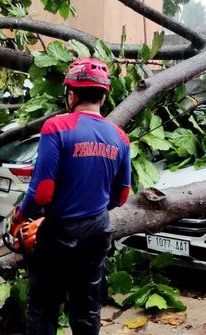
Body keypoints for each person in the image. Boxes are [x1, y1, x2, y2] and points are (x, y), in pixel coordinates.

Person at [10, 57, 132, 335]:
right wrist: (94, 206)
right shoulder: (120, 137)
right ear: (103, 96)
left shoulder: (56, 127)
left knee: (42, 308)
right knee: (87, 311)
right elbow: (122, 195)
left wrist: (20, 215)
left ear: (71, 93)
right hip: (97, 232)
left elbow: (41, 192)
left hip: (57, 234)